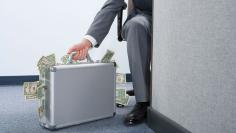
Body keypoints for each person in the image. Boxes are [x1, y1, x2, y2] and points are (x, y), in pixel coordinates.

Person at [67, 0, 152, 126]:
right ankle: (143, 100)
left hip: (179, 15)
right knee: (136, 26)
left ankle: (148, 86)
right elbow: (113, 2)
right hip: (145, 17)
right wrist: (88, 41)